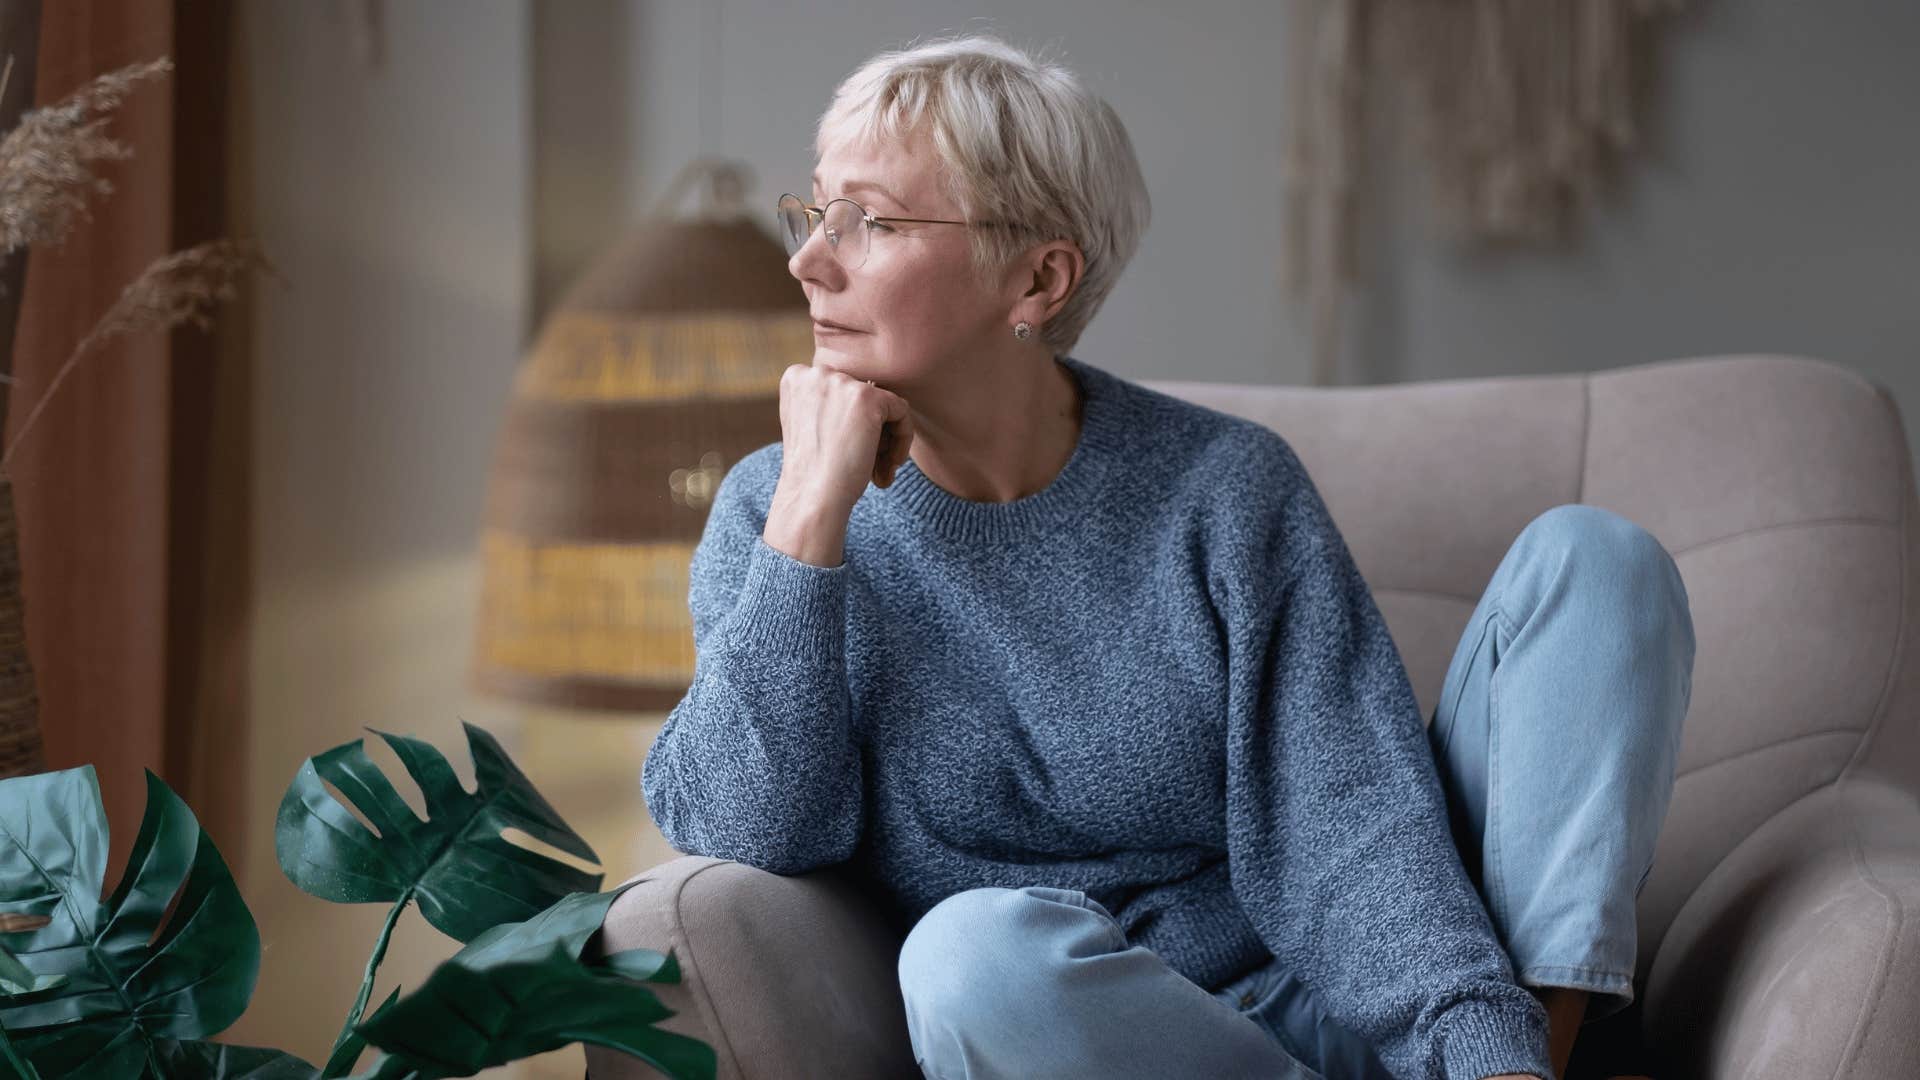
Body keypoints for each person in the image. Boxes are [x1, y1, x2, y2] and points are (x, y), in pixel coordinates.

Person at [641, 32, 1693, 1080]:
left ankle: (1530, 1065)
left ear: (1038, 279)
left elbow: (1345, 813)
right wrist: (806, 527)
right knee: (966, 956)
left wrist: (1476, 1043)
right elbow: (749, 833)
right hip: (1097, 1041)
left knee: (1593, 565)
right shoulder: (774, 514)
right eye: (815, 212)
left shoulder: (1224, 489)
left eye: (866, 220)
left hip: (1321, 999)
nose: (808, 259)